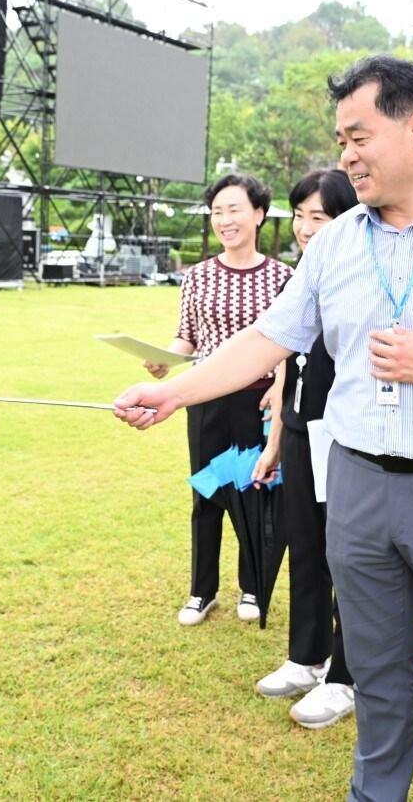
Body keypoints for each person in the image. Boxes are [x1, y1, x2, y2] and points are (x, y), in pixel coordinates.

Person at [118, 55, 413, 801]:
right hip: (356, 483)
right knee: (379, 673)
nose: (346, 155)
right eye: (340, 138)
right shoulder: (333, 245)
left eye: (360, 136)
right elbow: (266, 340)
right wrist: (175, 394)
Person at [144, 173, 292, 626]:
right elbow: (187, 336)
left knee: (252, 493)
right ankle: (201, 591)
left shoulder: (283, 278)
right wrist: (166, 362)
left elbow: (290, 342)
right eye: (217, 212)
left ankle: (252, 587)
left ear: (259, 215)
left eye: (234, 210)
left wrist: (278, 387)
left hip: (258, 403)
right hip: (205, 400)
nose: (224, 220)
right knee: (206, 493)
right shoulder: (198, 277)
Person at [250, 169, 358, 730]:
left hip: (345, 437)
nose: (305, 228)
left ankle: (345, 675)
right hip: (298, 430)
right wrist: (275, 442)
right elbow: (284, 368)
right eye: (300, 216)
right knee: (307, 548)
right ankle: (307, 655)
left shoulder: (361, 277)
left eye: (319, 216)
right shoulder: (300, 279)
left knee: (348, 557)